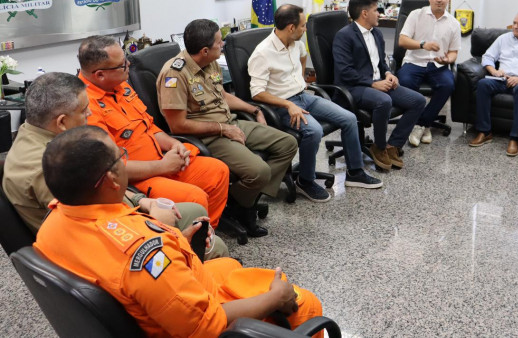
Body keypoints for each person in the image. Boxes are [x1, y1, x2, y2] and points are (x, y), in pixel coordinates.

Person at [35, 126, 323, 337]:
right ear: (111, 178)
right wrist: (276, 298)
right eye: (120, 157)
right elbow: (206, 328)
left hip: (162, 294)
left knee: (227, 263)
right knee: (304, 302)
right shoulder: (145, 257)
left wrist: (177, 242)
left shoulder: (55, 219)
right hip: (195, 320)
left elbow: (118, 263)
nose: (124, 162)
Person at [1, 73, 228, 259]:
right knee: (213, 244)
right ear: (61, 122)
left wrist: (144, 201)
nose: (90, 114)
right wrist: (155, 223)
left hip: (113, 213)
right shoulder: (51, 167)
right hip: (100, 245)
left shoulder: (35, 134)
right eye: (83, 111)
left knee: (196, 211)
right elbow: (96, 228)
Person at [157, 19, 298, 236]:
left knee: (287, 143)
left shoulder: (211, 61)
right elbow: (177, 125)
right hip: (206, 136)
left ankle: (239, 200)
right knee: (259, 171)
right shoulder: (174, 74)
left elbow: (222, 95)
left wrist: (253, 109)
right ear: (204, 50)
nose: (222, 45)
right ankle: (243, 206)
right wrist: (223, 130)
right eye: (219, 42)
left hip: (230, 122)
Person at [78, 36, 230, 229]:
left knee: (217, 171)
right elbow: (110, 169)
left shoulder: (119, 85)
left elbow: (149, 127)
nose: (129, 65)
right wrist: (163, 167)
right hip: (136, 180)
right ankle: (186, 247)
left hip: (162, 162)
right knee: (194, 197)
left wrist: (174, 145)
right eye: (122, 64)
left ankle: (205, 237)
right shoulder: (84, 107)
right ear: (100, 75)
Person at [248, 4, 382, 202]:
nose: (305, 30)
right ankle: (305, 180)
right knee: (314, 131)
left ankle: (355, 172)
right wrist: (288, 105)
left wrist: (300, 82)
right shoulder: (262, 53)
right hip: (281, 106)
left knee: (349, 118)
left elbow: (302, 58)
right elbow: (257, 93)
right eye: (302, 26)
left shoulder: (296, 44)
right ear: (291, 28)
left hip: (303, 97)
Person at [333, 0, 426, 170]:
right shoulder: (344, 36)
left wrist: (388, 73)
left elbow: (382, 62)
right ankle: (380, 147)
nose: (380, 14)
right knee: (384, 101)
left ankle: (392, 145)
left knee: (418, 101)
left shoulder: (376, 33)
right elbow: (345, 71)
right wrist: (372, 83)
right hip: (353, 87)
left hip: (377, 82)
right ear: (364, 13)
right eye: (376, 10)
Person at [469, 11, 518, 156]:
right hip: (502, 79)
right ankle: (484, 131)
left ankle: (515, 137)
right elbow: (487, 57)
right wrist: (493, 71)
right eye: (514, 23)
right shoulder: (503, 39)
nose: (515, 26)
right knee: (483, 84)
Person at [397, 0, 461, 147]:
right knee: (404, 83)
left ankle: (421, 124)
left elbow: (454, 52)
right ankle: (423, 124)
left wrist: (447, 60)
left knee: (448, 84)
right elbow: (402, 41)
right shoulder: (415, 15)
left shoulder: (454, 23)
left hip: (437, 66)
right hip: (414, 62)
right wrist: (422, 44)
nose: (439, 0)